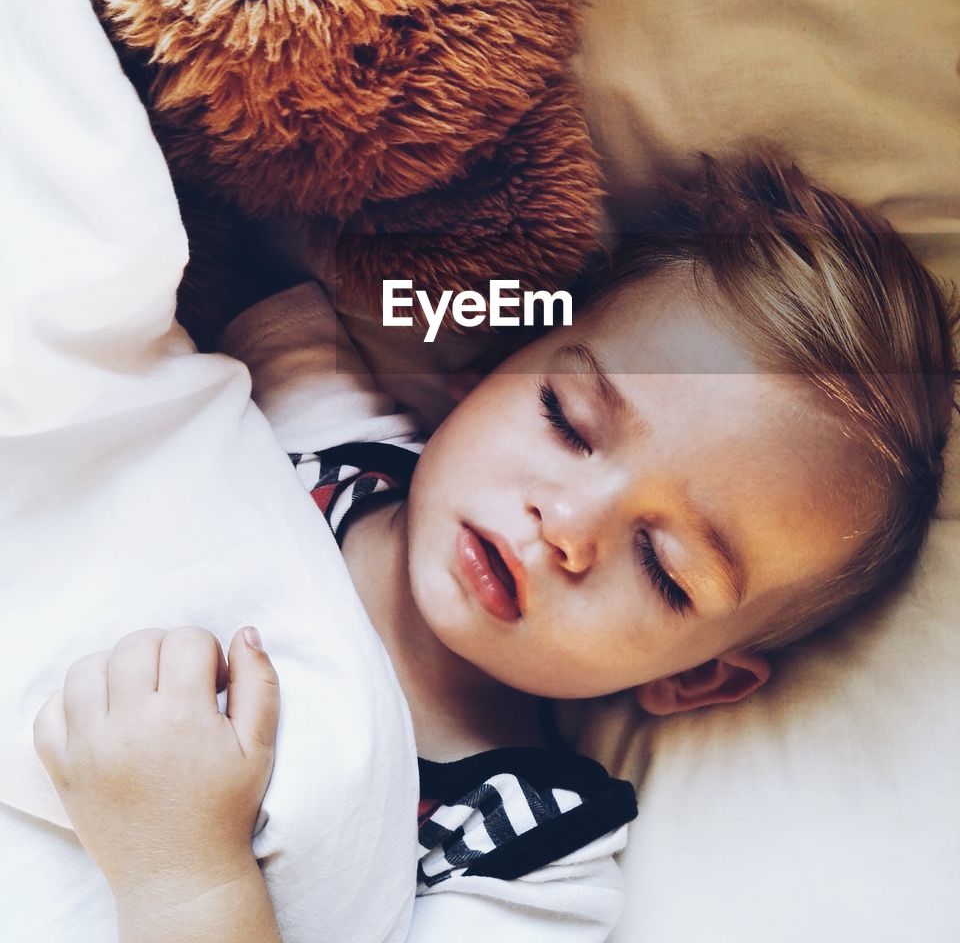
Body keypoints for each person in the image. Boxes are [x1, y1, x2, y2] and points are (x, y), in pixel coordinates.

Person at [33, 151, 958, 943]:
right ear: (492, 364)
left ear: (696, 679)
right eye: (567, 420)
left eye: (662, 568)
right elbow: (207, 207)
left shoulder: (536, 856)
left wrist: (184, 873)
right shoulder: (317, 417)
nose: (566, 525)